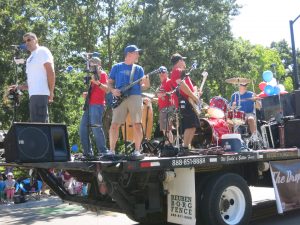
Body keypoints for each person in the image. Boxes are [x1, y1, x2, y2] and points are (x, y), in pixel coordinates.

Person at [108, 45, 150, 159]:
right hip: (120, 97)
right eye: (136, 53)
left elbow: (144, 86)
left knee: (137, 124)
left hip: (135, 96)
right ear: (129, 54)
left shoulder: (139, 69)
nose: (138, 55)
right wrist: (113, 90)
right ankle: (111, 151)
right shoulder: (116, 67)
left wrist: (147, 82)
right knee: (114, 125)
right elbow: (110, 82)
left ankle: (137, 150)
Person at [10, 32, 55, 123]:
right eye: (25, 41)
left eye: (29, 40)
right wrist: (19, 87)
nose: (27, 43)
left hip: (41, 93)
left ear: (36, 40)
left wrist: (51, 91)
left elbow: (51, 72)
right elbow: (31, 82)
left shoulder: (42, 50)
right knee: (36, 126)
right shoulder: (29, 58)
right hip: (33, 95)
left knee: (40, 126)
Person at [79, 57, 109, 158]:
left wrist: (97, 82)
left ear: (98, 64)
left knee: (96, 127)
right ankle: (87, 153)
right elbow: (96, 91)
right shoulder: (92, 75)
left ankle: (103, 151)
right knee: (83, 128)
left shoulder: (103, 74)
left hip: (97, 105)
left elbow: (106, 89)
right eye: (90, 65)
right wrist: (87, 94)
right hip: (89, 105)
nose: (90, 66)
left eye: (92, 64)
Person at [169, 53, 200, 150]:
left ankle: (187, 147)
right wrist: (193, 96)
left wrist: (195, 94)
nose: (185, 62)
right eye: (183, 60)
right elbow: (182, 85)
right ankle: (185, 147)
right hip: (185, 100)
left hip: (189, 100)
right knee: (190, 124)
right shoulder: (177, 71)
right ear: (179, 61)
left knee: (193, 125)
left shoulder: (181, 72)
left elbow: (189, 86)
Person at [156, 66, 174, 144]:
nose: (161, 74)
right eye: (160, 73)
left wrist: (162, 95)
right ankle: (168, 145)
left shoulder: (169, 81)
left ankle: (169, 146)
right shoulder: (162, 84)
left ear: (167, 73)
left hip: (168, 107)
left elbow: (172, 92)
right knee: (165, 129)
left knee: (167, 129)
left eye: (163, 72)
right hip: (163, 108)